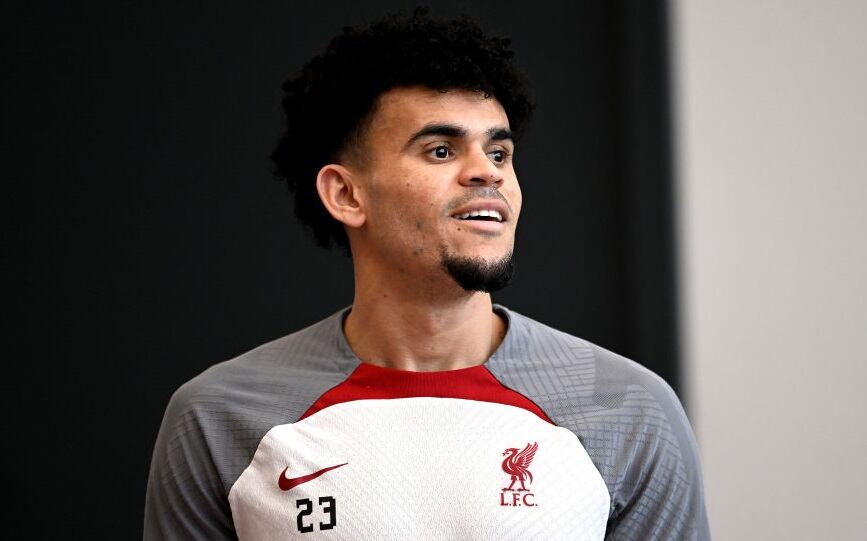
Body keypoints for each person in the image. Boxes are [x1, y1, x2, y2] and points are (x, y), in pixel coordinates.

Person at [144, 8, 710, 540]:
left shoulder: (630, 408)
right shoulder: (216, 415)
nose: (484, 173)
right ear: (345, 193)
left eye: (500, 153)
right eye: (441, 151)